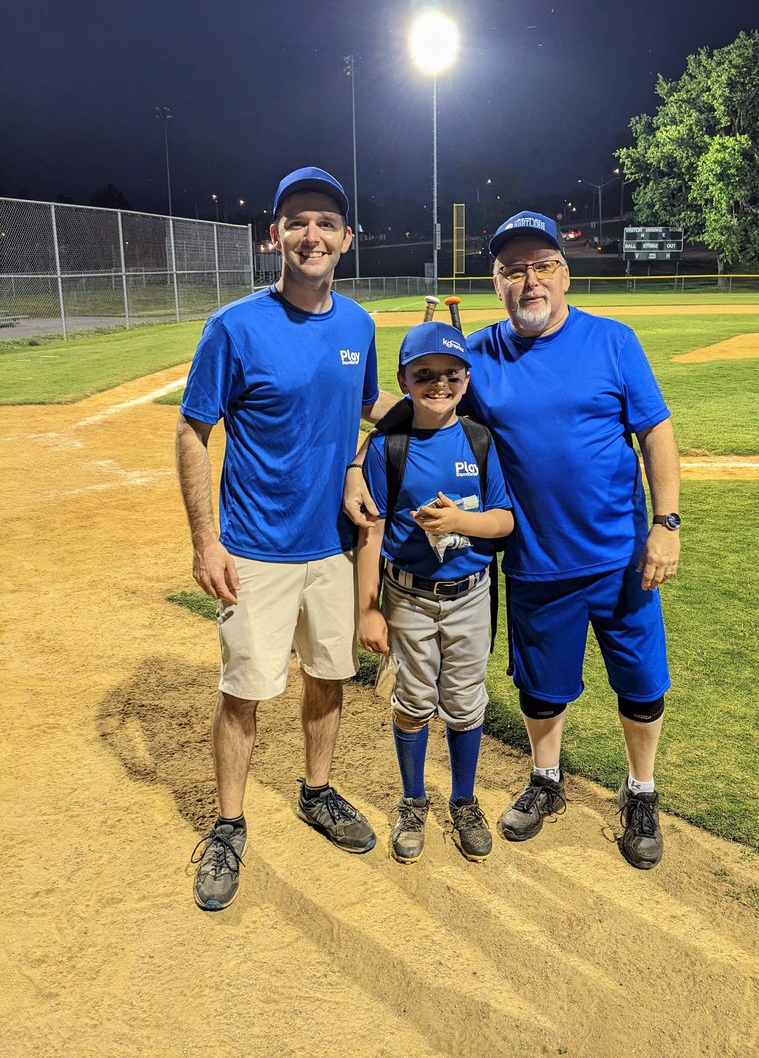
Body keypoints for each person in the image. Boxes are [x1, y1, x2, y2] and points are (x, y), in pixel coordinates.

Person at [345, 210, 680, 870]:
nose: (530, 281)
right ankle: (545, 780)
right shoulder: (482, 357)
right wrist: (360, 461)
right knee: (541, 689)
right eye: (513, 270)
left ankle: (641, 791)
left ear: (565, 273)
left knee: (640, 685)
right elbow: (420, 412)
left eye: (542, 266)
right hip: (533, 561)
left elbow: (657, 433)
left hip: (620, 558)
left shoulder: (614, 340)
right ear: (496, 283)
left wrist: (665, 525)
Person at [176, 166, 395, 912]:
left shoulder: (359, 325)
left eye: (326, 223)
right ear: (275, 236)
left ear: (346, 240)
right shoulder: (234, 326)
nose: (312, 235)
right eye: (297, 221)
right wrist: (207, 541)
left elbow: (368, 410)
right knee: (243, 692)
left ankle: (316, 790)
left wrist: (446, 396)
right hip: (255, 549)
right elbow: (192, 429)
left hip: (332, 548)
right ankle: (230, 823)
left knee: (328, 678)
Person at [356, 322, 513, 863]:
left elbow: (504, 521)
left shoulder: (479, 440)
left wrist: (457, 523)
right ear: (404, 381)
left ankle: (464, 799)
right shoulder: (388, 447)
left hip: (470, 594)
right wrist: (368, 610)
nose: (438, 384)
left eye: (450, 374)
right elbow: (372, 532)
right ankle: (413, 799)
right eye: (424, 375)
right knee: (415, 700)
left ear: (466, 380)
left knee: (465, 702)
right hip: (407, 597)